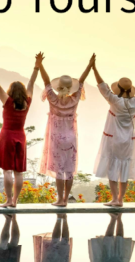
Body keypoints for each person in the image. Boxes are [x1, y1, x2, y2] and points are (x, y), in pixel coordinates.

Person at [92, 60, 135, 207]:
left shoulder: (114, 100)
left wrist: (93, 68)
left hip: (113, 140)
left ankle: (114, 199)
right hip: (129, 141)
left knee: (112, 168)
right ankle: (121, 199)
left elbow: (102, 86)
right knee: (123, 169)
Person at [0, 54, 41, 208]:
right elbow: (32, 82)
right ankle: (14, 201)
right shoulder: (27, 102)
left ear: (10, 91)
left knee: (7, 171)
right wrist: (37, 66)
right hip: (21, 137)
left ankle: (8, 200)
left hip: (7, 136)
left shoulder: (8, 102)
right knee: (19, 172)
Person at [37, 54, 93, 207]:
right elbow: (81, 81)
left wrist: (40, 64)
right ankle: (66, 199)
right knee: (69, 170)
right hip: (71, 139)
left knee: (59, 171)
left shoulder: (53, 99)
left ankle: (59, 200)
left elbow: (46, 82)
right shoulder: (74, 100)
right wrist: (90, 65)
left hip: (56, 139)